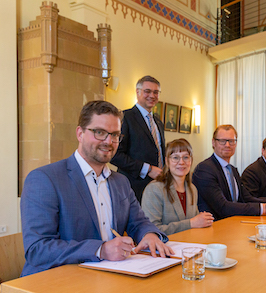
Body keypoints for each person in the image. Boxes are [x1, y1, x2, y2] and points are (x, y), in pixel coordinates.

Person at [20, 101, 173, 277]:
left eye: (115, 135)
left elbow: (139, 222)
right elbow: (37, 249)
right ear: (80, 133)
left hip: (108, 277)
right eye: (100, 132)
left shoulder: (121, 182)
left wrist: (150, 235)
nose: (109, 141)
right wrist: (100, 250)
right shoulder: (45, 179)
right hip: (54, 280)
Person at [192, 125, 266, 220]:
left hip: (234, 224)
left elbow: (245, 198)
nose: (227, 145)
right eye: (222, 141)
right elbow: (222, 207)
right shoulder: (204, 169)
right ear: (213, 143)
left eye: (231, 141)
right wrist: (265, 208)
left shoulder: (232, 170)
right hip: (214, 228)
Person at [111, 76, 165, 202]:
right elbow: (115, 155)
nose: (152, 95)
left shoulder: (158, 122)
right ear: (137, 92)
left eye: (156, 92)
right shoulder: (125, 117)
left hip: (159, 186)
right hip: (133, 188)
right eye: (147, 91)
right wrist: (148, 169)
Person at [142, 139, 214, 235]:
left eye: (186, 157)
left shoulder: (192, 189)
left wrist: (204, 221)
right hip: (164, 247)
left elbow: (196, 224)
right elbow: (152, 230)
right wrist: (190, 223)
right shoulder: (154, 189)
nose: (181, 162)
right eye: (175, 158)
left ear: (191, 160)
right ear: (167, 161)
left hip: (189, 245)